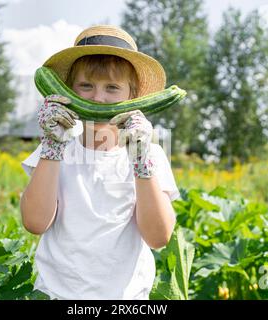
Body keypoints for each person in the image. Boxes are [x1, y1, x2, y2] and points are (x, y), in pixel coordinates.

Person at [20, 25, 181, 300]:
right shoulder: (56, 148)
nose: (98, 97)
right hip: (55, 294)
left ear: (132, 96)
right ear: (68, 91)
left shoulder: (151, 154)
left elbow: (158, 237)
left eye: (112, 88)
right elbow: (35, 222)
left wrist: (140, 161)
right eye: (86, 86)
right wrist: (52, 148)